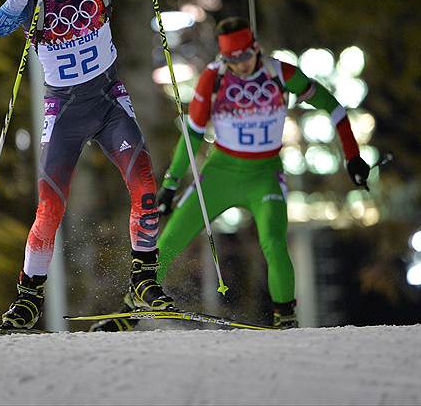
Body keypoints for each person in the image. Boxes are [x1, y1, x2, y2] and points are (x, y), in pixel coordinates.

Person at [91, 17, 370, 331]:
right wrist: (170, 184)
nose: (239, 66)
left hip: (264, 175)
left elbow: (332, 106)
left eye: (244, 57)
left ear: (256, 49)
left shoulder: (281, 73)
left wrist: (353, 157)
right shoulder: (214, 77)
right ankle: (130, 311)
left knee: (274, 243)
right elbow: (193, 134)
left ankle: (285, 317)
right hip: (220, 174)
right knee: (168, 240)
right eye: (231, 60)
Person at [0, 0, 182, 329]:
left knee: (146, 187)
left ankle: (143, 282)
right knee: (50, 206)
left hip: (109, 100)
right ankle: (28, 297)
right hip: (65, 112)